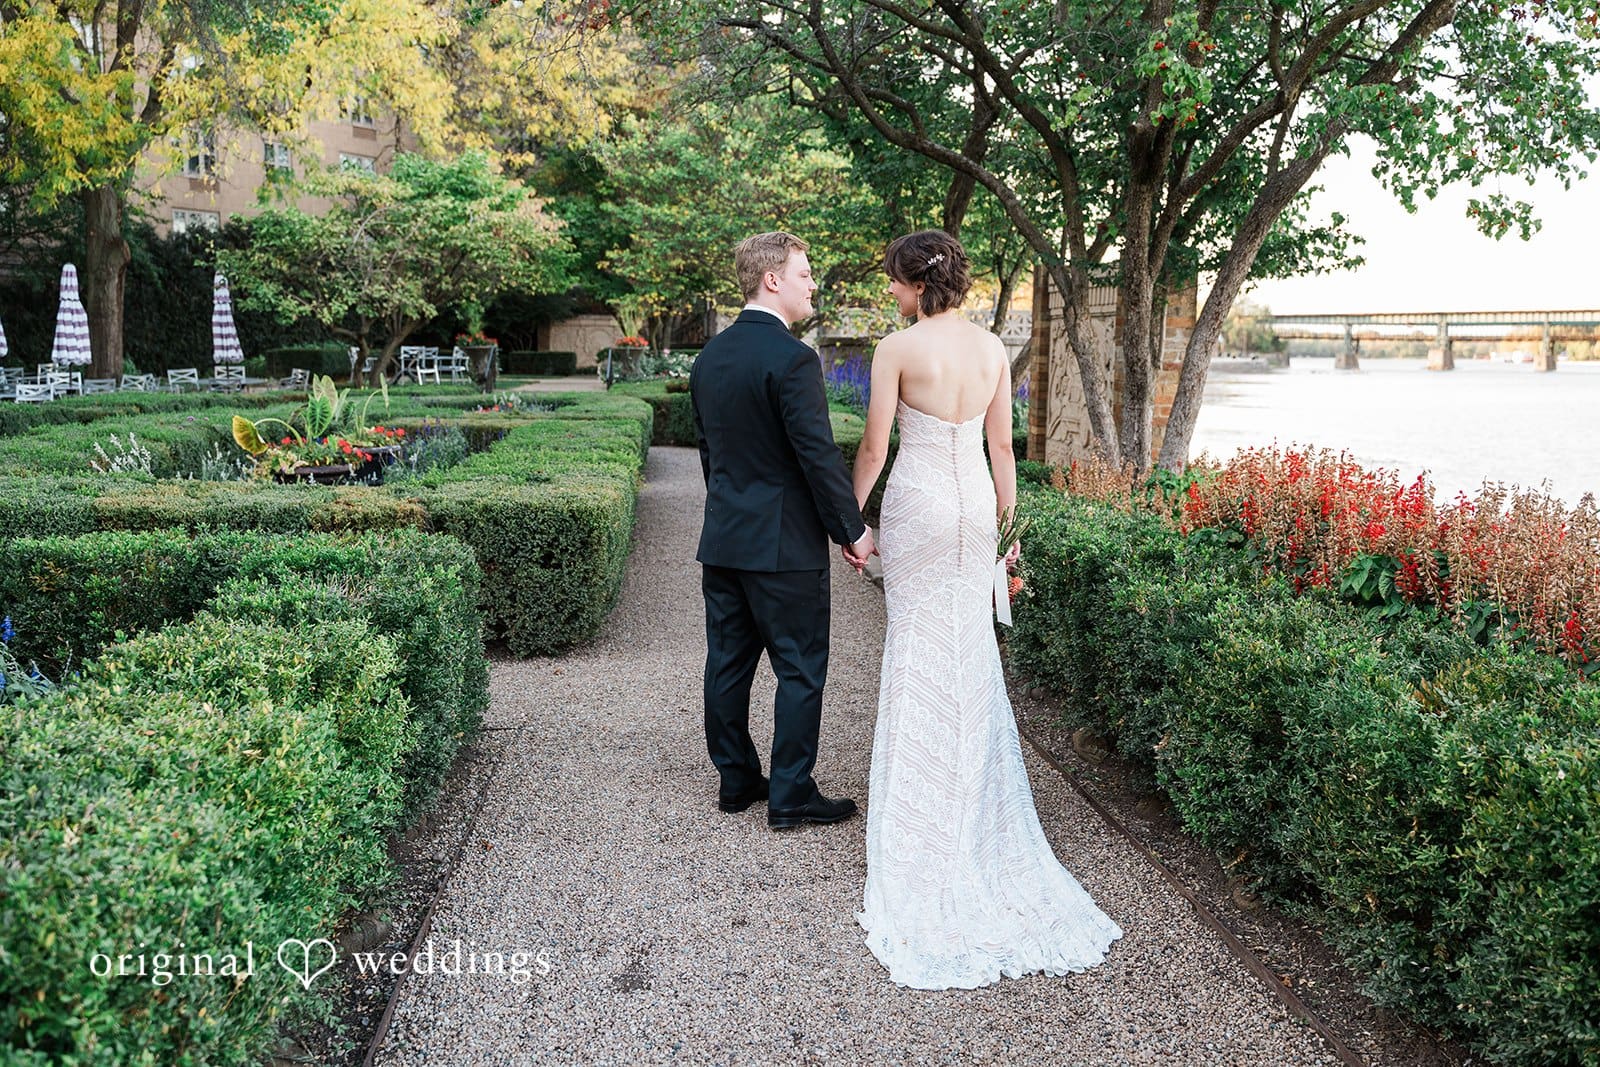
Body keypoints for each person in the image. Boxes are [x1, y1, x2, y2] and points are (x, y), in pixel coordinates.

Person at [850, 229, 1122, 989]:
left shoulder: (896, 350)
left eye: (893, 283)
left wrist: (850, 522)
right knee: (969, 655)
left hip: (919, 506)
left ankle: (918, 816)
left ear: (913, 282)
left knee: (915, 649)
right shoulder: (994, 351)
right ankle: (970, 807)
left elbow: (875, 449)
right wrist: (1010, 536)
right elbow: (1005, 452)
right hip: (974, 514)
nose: (892, 295)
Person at [690, 231, 878, 830]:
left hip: (723, 540)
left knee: (727, 662)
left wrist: (729, 511)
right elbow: (816, 458)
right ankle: (790, 795)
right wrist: (853, 531)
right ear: (772, 279)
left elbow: (709, 456)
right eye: (805, 273)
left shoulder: (709, 357)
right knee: (799, 667)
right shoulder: (794, 359)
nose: (812, 283)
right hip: (783, 549)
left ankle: (737, 781)